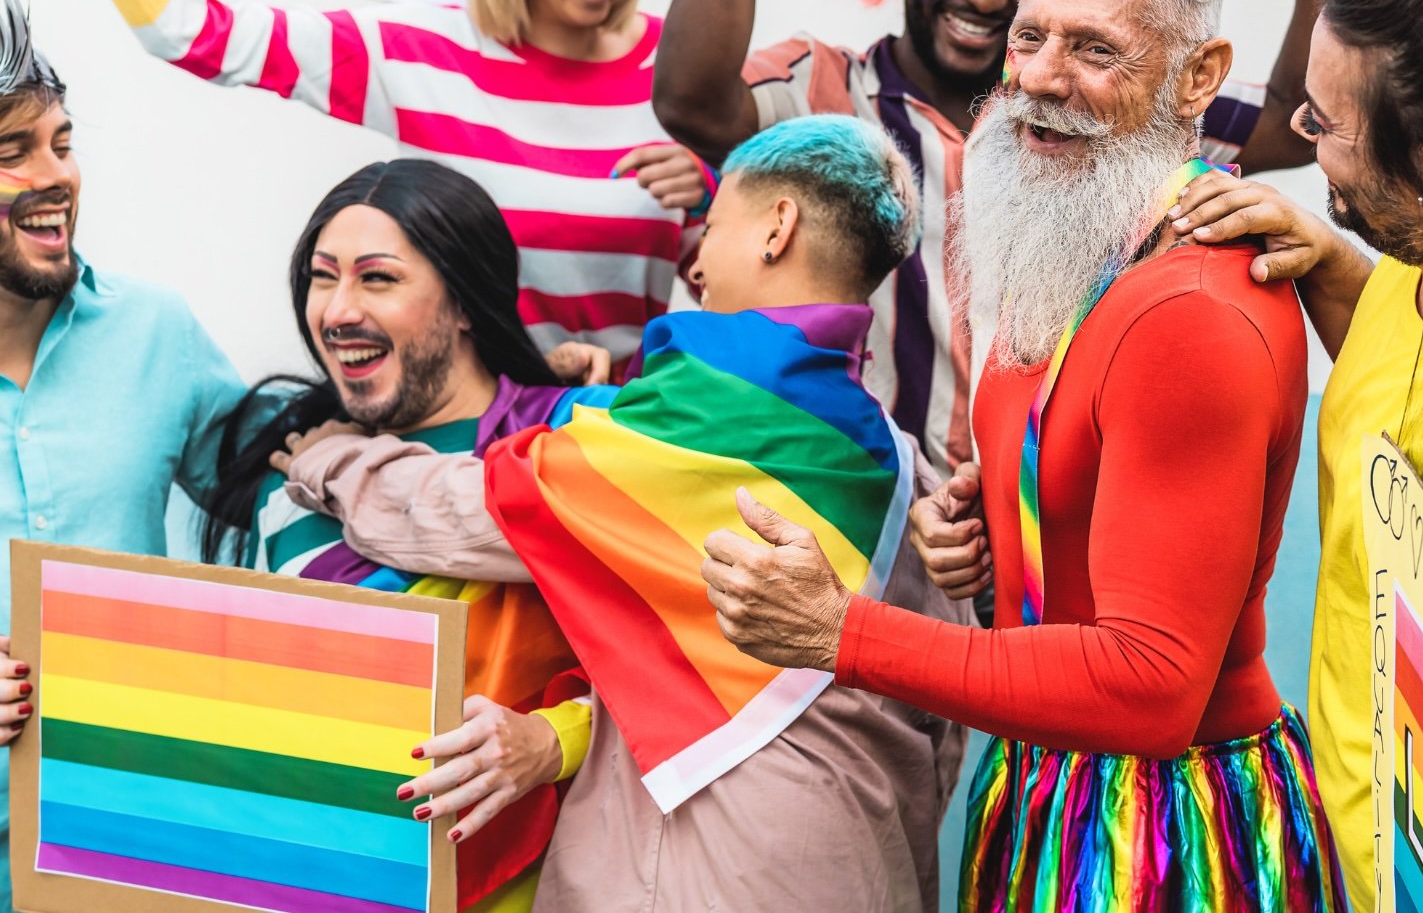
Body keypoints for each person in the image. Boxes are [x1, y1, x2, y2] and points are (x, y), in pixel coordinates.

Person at [697, 0, 1348, 909]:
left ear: (1198, 75)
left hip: (1167, 838)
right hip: (1050, 786)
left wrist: (841, 633)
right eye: (1032, 38)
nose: (1042, 75)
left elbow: (1150, 683)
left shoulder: (1189, 310)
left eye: (1096, 49)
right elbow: (1085, 488)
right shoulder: (1080, 231)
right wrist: (995, 519)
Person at [273, 115, 973, 912]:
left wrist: (327, 458)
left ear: (777, 229)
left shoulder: (696, 416)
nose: (697, 263)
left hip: (709, 869)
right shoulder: (904, 462)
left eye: (712, 228)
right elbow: (942, 717)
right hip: (866, 862)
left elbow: (465, 512)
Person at [653, 0, 1353, 475]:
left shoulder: (1103, 108)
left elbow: (1294, 121)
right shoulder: (828, 87)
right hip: (870, 494)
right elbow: (692, 102)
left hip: (1040, 520)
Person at [198, 159, 615, 913]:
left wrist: (555, 739)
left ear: (463, 301)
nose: (337, 310)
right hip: (331, 882)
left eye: (377, 278)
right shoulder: (286, 476)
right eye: (323, 278)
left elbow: (681, 663)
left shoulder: (574, 434)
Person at [91, 0, 709, 378]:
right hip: (468, 454)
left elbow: (745, 284)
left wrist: (711, 196)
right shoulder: (419, 52)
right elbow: (188, 33)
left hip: (625, 444)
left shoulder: (679, 72)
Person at [1159, 0, 1423, 911]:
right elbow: (1396, 360)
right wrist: (1329, 257)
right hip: (1343, 850)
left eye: (1323, 123)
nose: (1302, 149)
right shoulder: (1407, 274)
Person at [0, 0, 246, 913]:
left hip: (125, 852)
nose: (55, 174)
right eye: (13, 151)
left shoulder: (159, 333)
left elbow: (285, 486)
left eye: (61, 144)